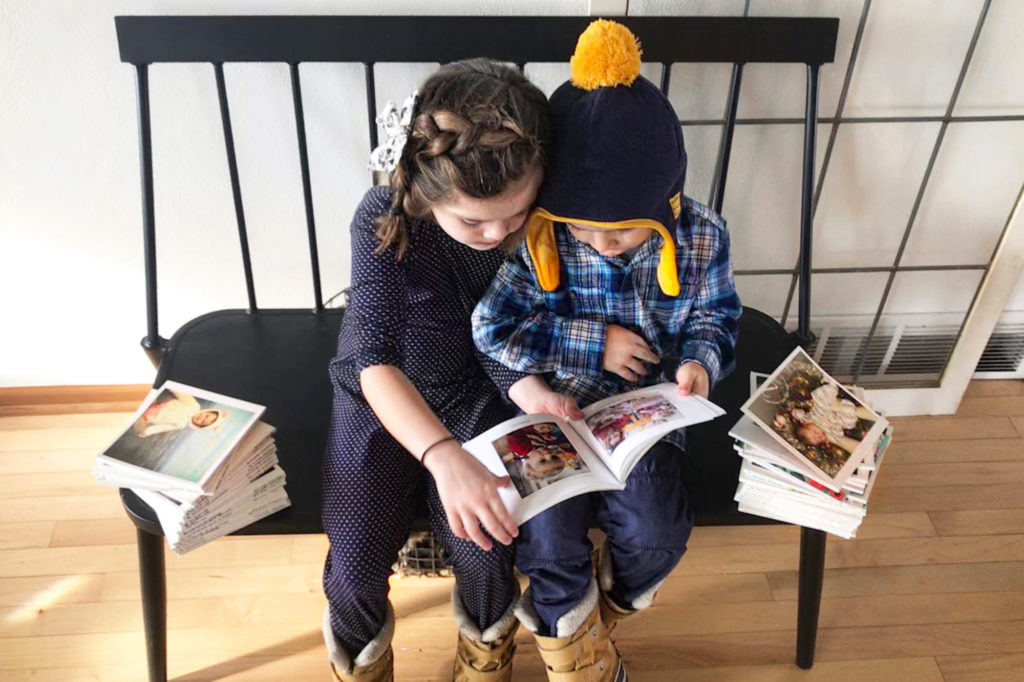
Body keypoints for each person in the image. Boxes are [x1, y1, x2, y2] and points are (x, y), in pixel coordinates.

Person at [472, 20, 741, 682]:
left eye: (622, 231)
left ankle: (602, 612)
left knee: (656, 533)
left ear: (664, 205)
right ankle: (576, 651)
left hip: (646, 414)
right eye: (585, 230)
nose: (601, 243)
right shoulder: (543, 238)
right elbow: (491, 325)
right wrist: (590, 343)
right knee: (549, 536)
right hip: (556, 412)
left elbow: (716, 313)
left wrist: (698, 363)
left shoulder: (701, 234)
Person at [321, 59, 568, 682]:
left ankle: (485, 660)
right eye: (473, 220)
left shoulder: (527, 230)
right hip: (377, 399)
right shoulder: (384, 220)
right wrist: (441, 454)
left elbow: (505, 331)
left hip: (474, 391)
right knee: (355, 555)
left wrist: (526, 386)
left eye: (515, 217)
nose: (496, 234)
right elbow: (374, 363)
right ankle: (359, 663)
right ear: (427, 189)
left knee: (487, 543)